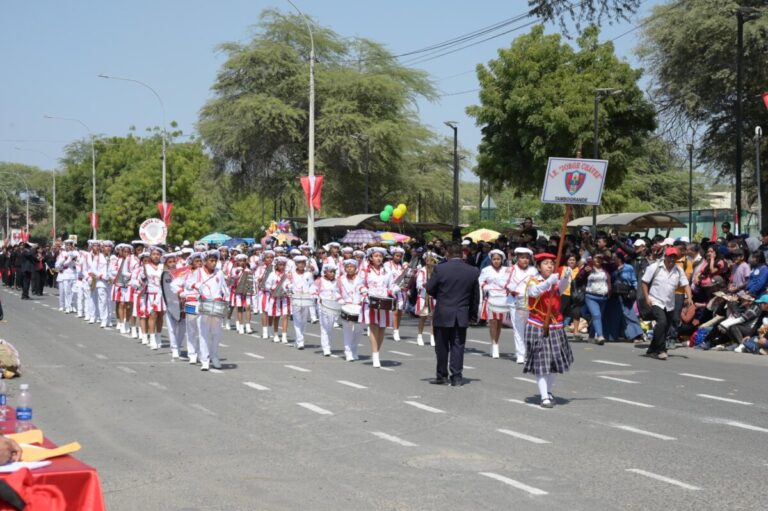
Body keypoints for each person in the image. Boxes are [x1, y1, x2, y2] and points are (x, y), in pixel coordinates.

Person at [523, 252, 574, 408]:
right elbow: (533, 292)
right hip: (538, 324)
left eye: (552, 263)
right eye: (546, 263)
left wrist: (565, 277)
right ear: (539, 266)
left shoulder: (555, 281)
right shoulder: (533, 280)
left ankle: (549, 391)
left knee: (554, 362)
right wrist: (548, 283)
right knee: (541, 362)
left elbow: (563, 288)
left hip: (556, 324)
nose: (550, 266)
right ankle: (544, 396)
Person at [425, 242, 480, 386]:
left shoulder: (440, 269)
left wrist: (441, 296)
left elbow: (430, 288)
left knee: (442, 346)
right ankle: (456, 377)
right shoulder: (473, 271)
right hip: (461, 313)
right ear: (463, 254)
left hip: (443, 311)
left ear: (447, 254)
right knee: (458, 346)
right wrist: (473, 316)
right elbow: (475, 297)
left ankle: (442, 375)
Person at [641, 247, 693, 360]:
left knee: (664, 328)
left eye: (674, 257)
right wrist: (646, 298)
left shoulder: (678, 270)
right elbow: (644, 282)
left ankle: (651, 349)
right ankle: (661, 350)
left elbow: (686, 284)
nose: (672, 259)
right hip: (655, 300)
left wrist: (689, 297)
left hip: (669, 303)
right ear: (665, 256)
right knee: (662, 322)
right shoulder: (655, 267)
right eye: (670, 256)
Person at [186, 250, 228, 370]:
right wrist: (195, 285)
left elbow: (224, 288)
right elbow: (188, 284)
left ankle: (214, 356)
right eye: (211, 260)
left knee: (216, 333)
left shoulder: (219, 273)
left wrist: (224, 297)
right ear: (205, 261)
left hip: (217, 305)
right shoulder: (198, 272)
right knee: (203, 333)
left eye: (215, 260)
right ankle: (205, 359)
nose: (214, 263)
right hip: (203, 304)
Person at [360, 247, 398, 368]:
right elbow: (360, 285)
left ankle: (377, 352)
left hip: (384, 301)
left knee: (382, 328)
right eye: (376, 256)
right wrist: (365, 292)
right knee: (374, 326)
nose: (378, 258)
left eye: (380, 256)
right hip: (371, 301)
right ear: (371, 257)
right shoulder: (365, 271)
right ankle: (375, 355)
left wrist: (394, 290)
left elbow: (391, 285)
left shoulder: (387, 271)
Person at [506, 247, 538, 363]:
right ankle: (520, 353)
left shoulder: (533, 270)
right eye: (522, 258)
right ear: (517, 258)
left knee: (529, 328)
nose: (525, 260)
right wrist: (512, 289)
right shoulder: (511, 269)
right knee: (518, 328)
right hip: (515, 301)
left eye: (527, 258)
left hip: (530, 303)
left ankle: (529, 352)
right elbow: (505, 283)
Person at [478, 249, 510, 359]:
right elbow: (480, 281)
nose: (496, 261)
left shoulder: (507, 270)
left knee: (499, 322)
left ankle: (496, 341)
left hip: (503, 298)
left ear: (502, 260)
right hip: (491, 297)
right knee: (492, 321)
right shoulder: (486, 270)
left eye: (498, 259)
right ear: (491, 260)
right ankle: (494, 344)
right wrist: (486, 287)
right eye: (494, 259)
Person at [578, 253, 611, 345]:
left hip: (603, 297)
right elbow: (579, 277)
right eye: (596, 258)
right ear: (592, 259)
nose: (598, 260)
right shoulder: (588, 268)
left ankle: (591, 336)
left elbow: (609, 258)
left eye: (600, 258)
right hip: (591, 296)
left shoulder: (606, 269)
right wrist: (584, 271)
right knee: (596, 315)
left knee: (597, 317)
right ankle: (600, 336)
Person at [339, 259, 362, 360]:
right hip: (346, 306)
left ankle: (354, 349)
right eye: (347, 267)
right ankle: (348, 352)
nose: (349, 268)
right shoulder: (340, 279)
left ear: (356, 268)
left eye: (351, 266)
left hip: (359, 306)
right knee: (347, 330)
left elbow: (365, 290)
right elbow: (335, 291)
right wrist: (339, 299)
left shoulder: (361, 279)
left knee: (358, 330)